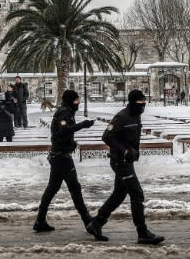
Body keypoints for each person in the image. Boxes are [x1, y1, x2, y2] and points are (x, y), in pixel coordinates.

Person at [85, 89, 164, 245]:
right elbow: (106, 136)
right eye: (140, 103)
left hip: (127, 161)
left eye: (144, 102)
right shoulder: (122, 117)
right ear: (133, 102)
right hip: (120, 161)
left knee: (119, 194)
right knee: (137, 194)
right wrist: (125, 151)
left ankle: (96, 223)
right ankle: (142, 233)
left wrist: (134, 152)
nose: (143, 105)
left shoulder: (136, 115)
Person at [34, 90, 96, 233]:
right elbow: (63, 130)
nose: (78, 103)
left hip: (59, 156)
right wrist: (83, 125)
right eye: (76, 101)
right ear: (69, 101)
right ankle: (88, 222)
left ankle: (40, 221)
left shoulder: (66, 111)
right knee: (75, 189)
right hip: (61, 158)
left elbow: (61, 134)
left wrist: (71, 144)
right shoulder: (64, 112)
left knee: (52, 189)